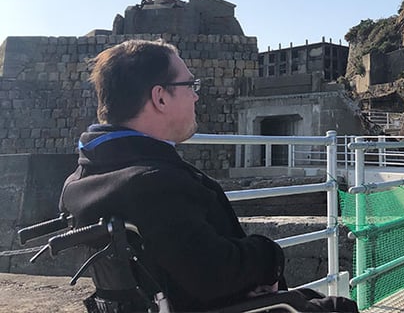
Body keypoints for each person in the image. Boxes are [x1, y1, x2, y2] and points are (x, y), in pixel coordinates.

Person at [59, 39, 358, 312]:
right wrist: (269, 257)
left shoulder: (82, 180)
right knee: (340, 307)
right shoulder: (151, 183)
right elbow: (213, 274)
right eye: (191, 85)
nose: (197, 97)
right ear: (160, 98)